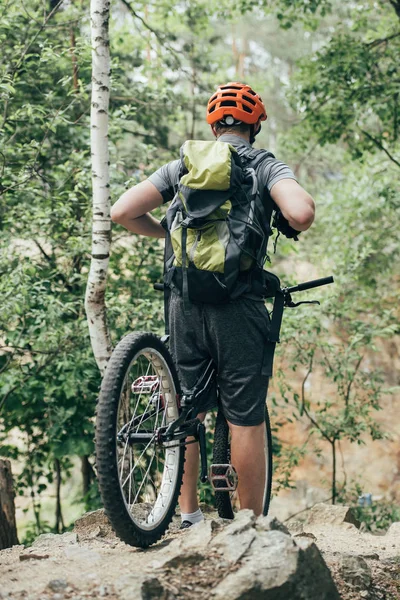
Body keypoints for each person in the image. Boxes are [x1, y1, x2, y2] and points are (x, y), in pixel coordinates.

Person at [111, 82, 315, 528]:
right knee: (243, 415)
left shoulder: (184, 165)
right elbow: (300, 214)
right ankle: (249, 525)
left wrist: (168, 234)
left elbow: (122, 212)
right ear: (254, 125)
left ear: (213, 125)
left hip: (183, 303)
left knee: (185, 405)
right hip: (238, 306)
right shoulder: (263, 164)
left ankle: (188, 516)